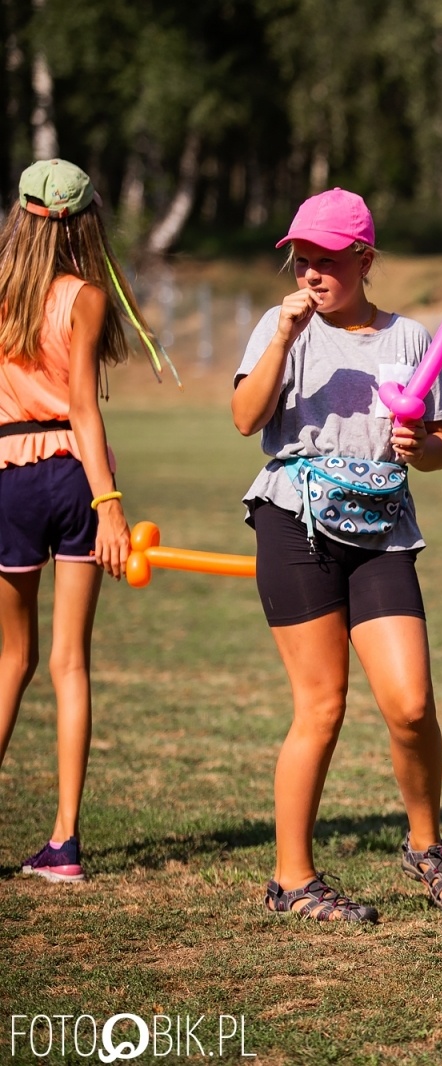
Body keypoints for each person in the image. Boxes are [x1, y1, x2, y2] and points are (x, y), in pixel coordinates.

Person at [231, 188, 442, 922]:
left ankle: (427, 848)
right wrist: (281, 338)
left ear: (365, 260)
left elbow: (441, 446)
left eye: (326, 262)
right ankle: (292, 879)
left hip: (381, 531)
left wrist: (421, 446)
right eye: (300, 262)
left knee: (410, 705)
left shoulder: (410, 339)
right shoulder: (281, 330)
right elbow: (247, 420)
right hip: (293, 524)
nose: (309, 275)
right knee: (322, 707)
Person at [0, 160, 147, 883]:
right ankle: (63, 843)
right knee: (68, 663)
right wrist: (108, 504)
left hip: (6, 477)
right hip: (71, 475)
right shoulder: (85, 296)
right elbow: (84, 410)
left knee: (9, 660)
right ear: (86, 221)